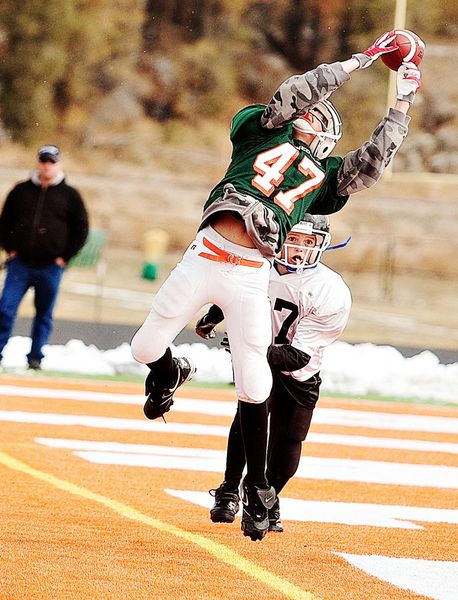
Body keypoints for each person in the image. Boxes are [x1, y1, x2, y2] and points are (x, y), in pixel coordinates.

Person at [130, 31, 421, 542]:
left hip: (249, 272)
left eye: (318, 120)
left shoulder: (323, 180)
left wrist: (402, 103)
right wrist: (361, 61)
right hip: (205, 254)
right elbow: (294, 91)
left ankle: (258, 489)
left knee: (253, 381)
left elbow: (372, 163)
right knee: (144, 348)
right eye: (308, 113)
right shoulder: (259, 131)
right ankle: (171, 371)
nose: (309, 117)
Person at [196, 214, 351, 533]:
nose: (299, 248)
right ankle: (229, 490)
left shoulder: (330, 290)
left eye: (308, 242)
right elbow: (235, 293)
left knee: (290, 442)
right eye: (293, 238)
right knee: (249, 416)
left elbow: (297, 357)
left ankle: (267, 497)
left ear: (321, 245)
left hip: (299, 371)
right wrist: (214, 316)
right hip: (261, 361)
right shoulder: (258, 267)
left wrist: (248, 346)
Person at [0, 145, 89, 370]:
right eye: (43, 160)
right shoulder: (21, 191)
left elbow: (81, 229)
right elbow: (5, 221)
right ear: (38, 162)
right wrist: (9, 247)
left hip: (50, 266)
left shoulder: (70, 195)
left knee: (43, 314)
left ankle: (35, 358)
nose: (47, 165)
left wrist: (65, 256)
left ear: (59, 164)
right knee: (6, 309)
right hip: (20, 264)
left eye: (51, 161)